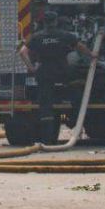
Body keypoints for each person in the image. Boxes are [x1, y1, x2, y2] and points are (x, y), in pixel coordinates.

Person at [20, 9, 97, 143]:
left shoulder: (37, 36)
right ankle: (74, 116)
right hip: (62, 71)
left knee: (45, 105)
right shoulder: (64, 35)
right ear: (55, 22)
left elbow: (22, 52)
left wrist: (31, 67)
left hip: (44, 72)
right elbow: (80, 47)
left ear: (44, 22)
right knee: (77, 85)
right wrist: (92, 55)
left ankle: (47, 139)